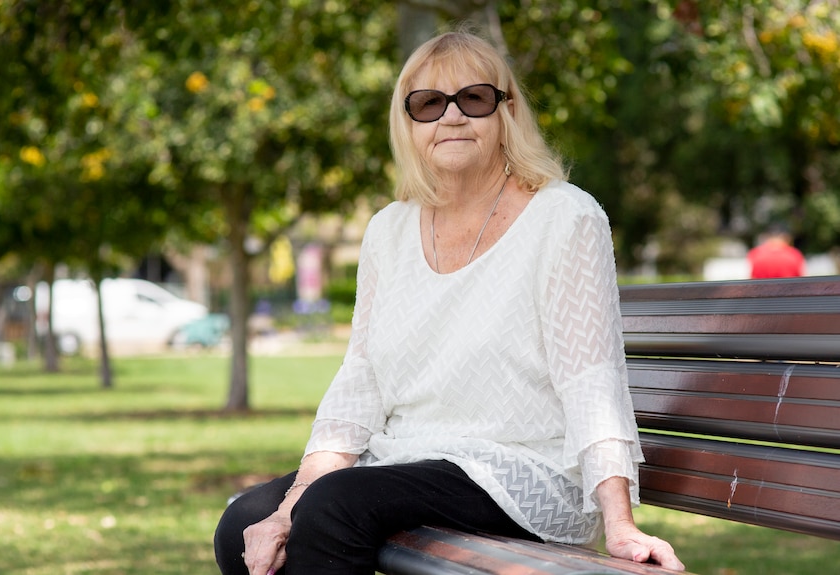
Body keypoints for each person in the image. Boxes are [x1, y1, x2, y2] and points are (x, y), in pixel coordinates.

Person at [214, 31, 685, 575]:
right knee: (246, 519)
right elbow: (359, 380)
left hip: (520, 470)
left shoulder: (564, 218)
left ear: (506, 112)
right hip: (407, 460)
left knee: (332, 508)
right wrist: (290, 502)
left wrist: (620, 525)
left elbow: (591, 381)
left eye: (475, 99)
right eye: (429, 103)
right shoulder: (387, 230)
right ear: (408, 123)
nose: (452, 117)